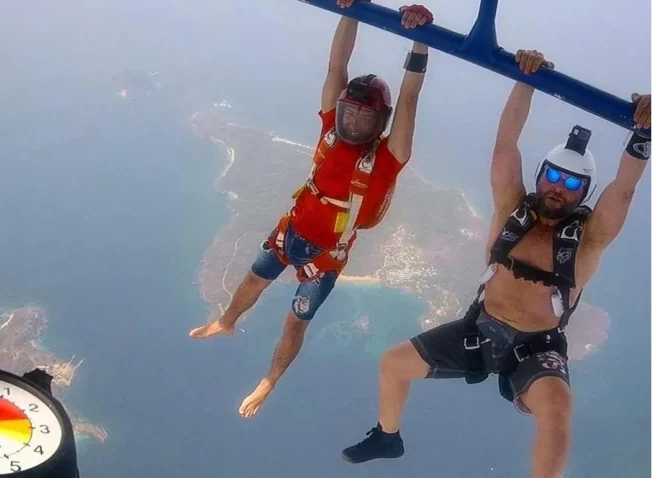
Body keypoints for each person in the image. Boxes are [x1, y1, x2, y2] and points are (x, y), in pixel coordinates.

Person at [340, 47, 651, 477]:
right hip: (479, 329)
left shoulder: (588, 239)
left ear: (585, 193)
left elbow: (623, 191)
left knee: (557, 411)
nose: (559, 188)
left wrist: (643, 135)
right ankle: (387, 437)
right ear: (540, 174)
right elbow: (506, 144)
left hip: (537, 348)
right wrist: (527, 80)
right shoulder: (511, 209)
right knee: (392, 364)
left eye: (572, 184)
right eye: (553, 176)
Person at [189, 2, 436, 418]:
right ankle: (227, 320)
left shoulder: (388, 157)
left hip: (325, 257)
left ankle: (269, 381)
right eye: (348, 113)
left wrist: (421, 40)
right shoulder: (330, 128)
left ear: (381, 123)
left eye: (363, 119)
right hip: (290, 230)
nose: (352, 124)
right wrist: (351, 10)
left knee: (295, 323)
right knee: (252, 281)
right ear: (339, 109)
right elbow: (337, 63)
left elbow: (409, 96)